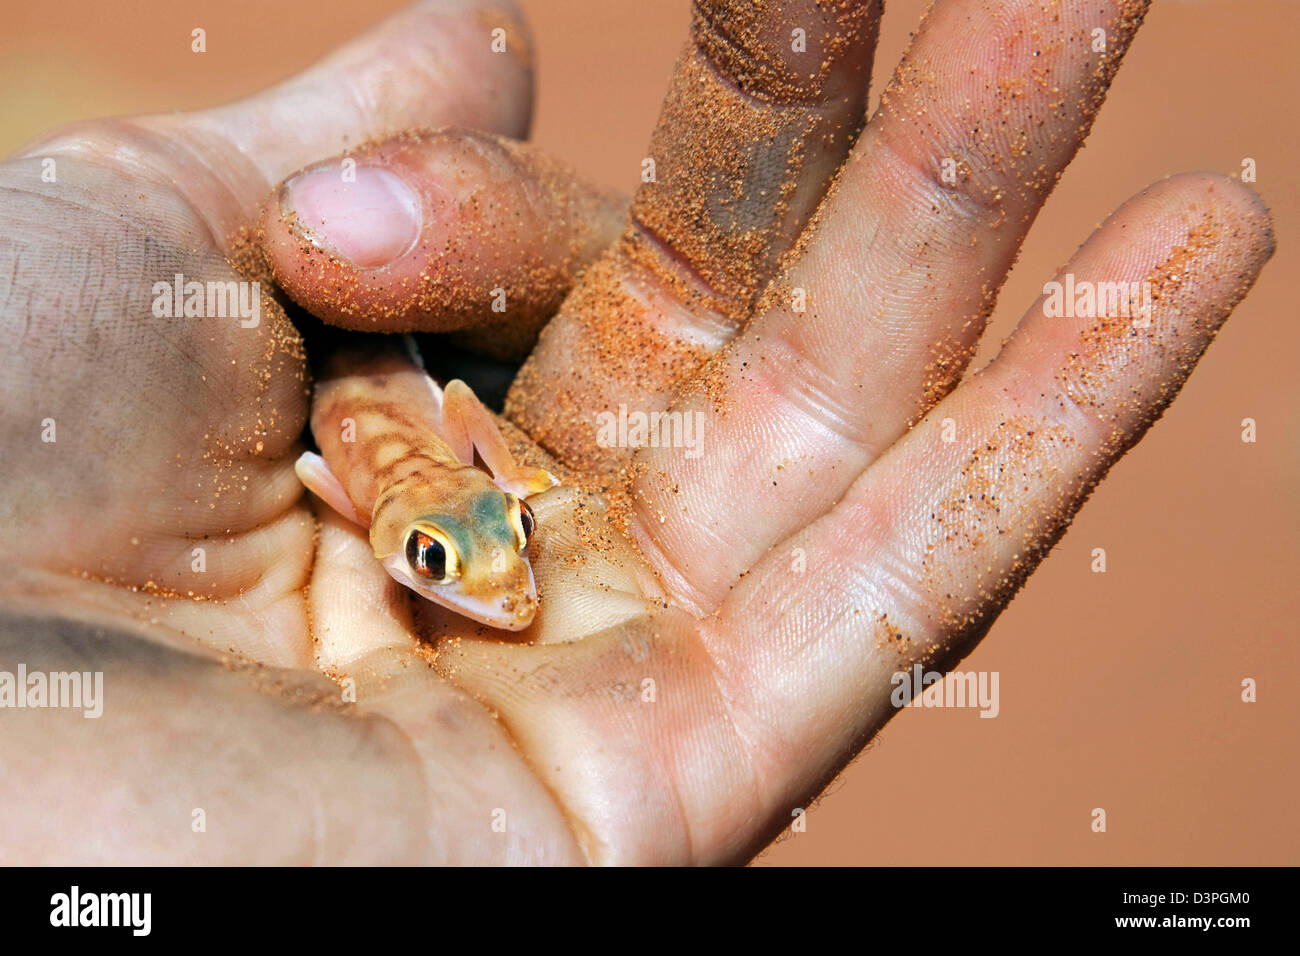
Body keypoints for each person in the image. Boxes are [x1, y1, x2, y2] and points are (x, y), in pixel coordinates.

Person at [0, 0, 1273, 864]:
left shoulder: (404, 482)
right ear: (383, 536)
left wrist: (508, 484)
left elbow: (433, 426)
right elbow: (343, 458)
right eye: (447, 564)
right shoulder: (351, 492)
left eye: (493, 541)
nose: (505, 589)